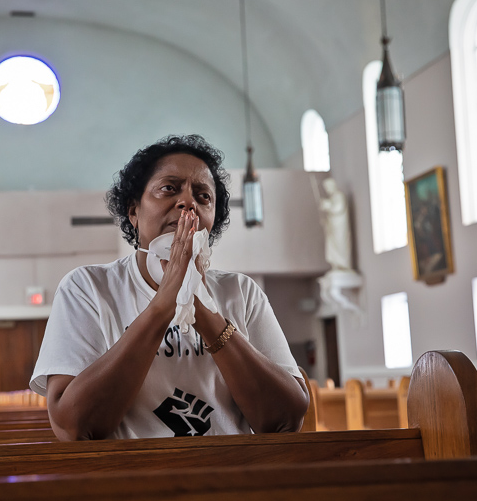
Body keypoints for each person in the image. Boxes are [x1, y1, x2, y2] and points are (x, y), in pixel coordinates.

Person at [30, 135, 308, 440]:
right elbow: (74, 427)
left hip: (233, 476)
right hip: (130, 480)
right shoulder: (87, 288)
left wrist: (200, 307)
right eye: (169, 188)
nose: (188, 202)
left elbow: (287, 420)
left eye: (203, 196)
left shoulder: (241, 292)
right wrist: (162, 307)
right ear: (134, 211)